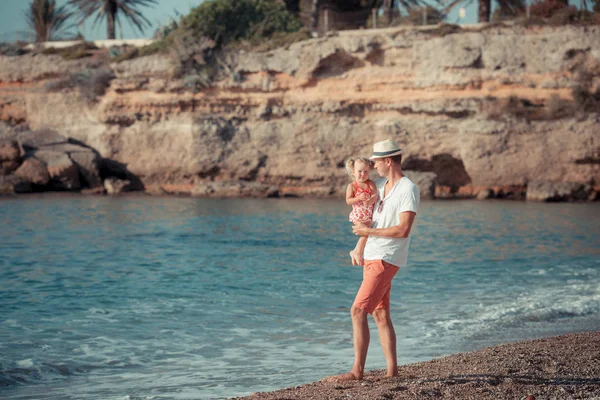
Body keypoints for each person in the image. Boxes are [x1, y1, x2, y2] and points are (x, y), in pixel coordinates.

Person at [330, 139, 420, 382]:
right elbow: (372, 221)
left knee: (358, 311)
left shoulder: (407, 189)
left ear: (388, 161)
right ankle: (393, 373)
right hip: (373, 254)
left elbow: (403, 230)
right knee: (380, 315)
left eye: (376, 162)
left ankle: (356, 371)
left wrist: (367, 234)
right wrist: (359, 246)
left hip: (386, 258)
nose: (373, 166)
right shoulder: (380, 187)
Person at [345, 157, 378, 267]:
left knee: (368, 232)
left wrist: (370, 201)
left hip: (369, 214)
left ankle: (356, 251)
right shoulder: (352, 186)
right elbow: (348, 201)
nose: (362, 174)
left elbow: (375, 195)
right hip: (358, 215)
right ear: (353, 172)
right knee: (366, 232)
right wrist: (358, 198)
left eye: (366, 172)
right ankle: (358, 252)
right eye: (359, 171)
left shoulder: (370, 184)